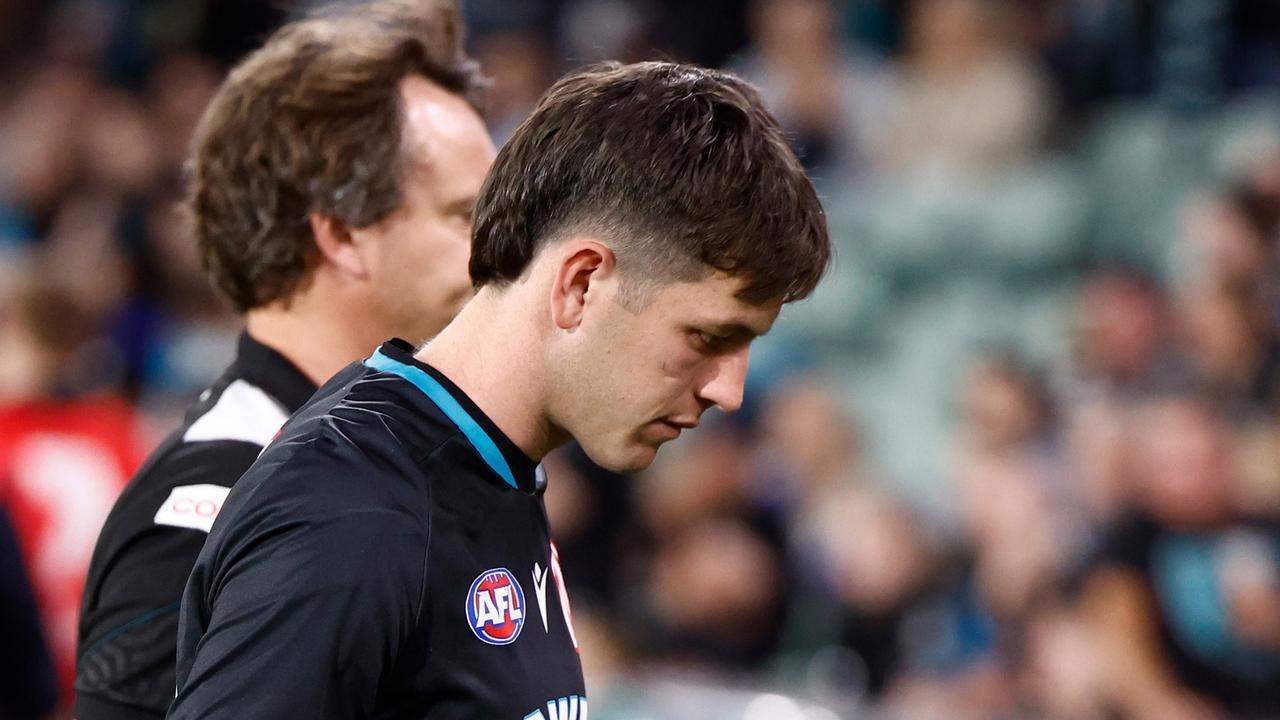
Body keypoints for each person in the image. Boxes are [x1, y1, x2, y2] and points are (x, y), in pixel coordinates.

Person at [169, 60, 831, 719]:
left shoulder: (492, 467)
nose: (730, 390)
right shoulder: (352, 516)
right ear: (580, 285)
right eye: (708, 337)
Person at [74, 2, 495, 718]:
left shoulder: (434, 467)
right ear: (340, 235)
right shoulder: (211, 506)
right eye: (464, 216)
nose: (494, 255)